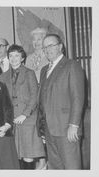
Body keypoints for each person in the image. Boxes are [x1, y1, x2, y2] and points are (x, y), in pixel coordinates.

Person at [38, 33, 85, 169]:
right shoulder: (43, 70)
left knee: (71, 167)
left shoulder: (71, 66)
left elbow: (77, 97)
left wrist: (74, 125)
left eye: (51, 45)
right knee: (55, 168)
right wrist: (41, 128)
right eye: (44, 47)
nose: (47, 49)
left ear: (60, 47)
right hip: (49, 130)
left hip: (66, 129)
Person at [0, 44, 46, 169]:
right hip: (11, 120)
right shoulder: (3, 77)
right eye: (11, 56)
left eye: (17, 56)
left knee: (28, 154)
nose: (13, 58)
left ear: (22, 58)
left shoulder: (29, 73)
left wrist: (24, 114)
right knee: (15, 154)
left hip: (27, 118)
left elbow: (35, 95)